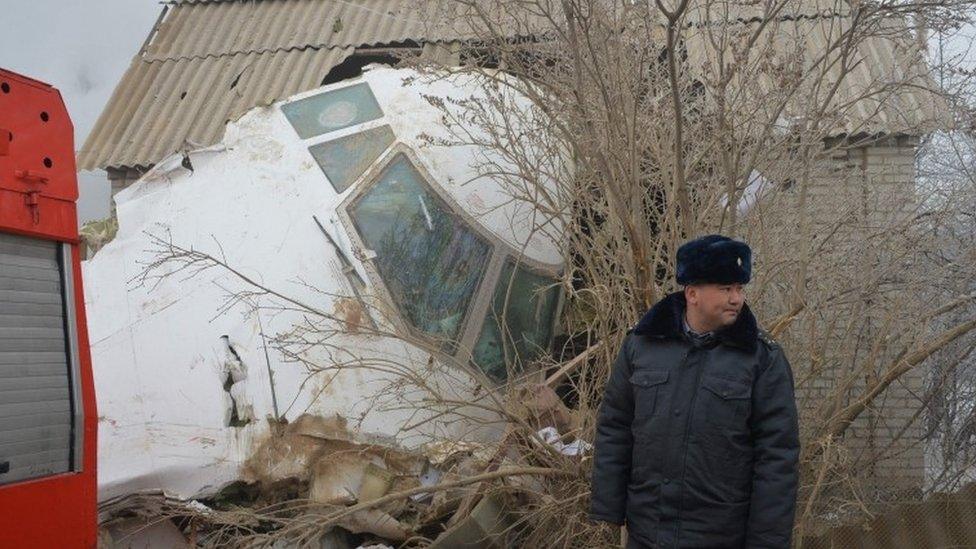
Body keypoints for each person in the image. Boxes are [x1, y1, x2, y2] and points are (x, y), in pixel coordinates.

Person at [589, 234, 800, 548]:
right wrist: (609, 506)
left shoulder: (762, 358)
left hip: (720, 535)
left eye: (740, 289)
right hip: (647, 531)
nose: (736, 299)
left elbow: (777, 457)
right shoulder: (643, 345)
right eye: (725, 288)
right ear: (692, 293)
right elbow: (615, 426)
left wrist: (766, 541)